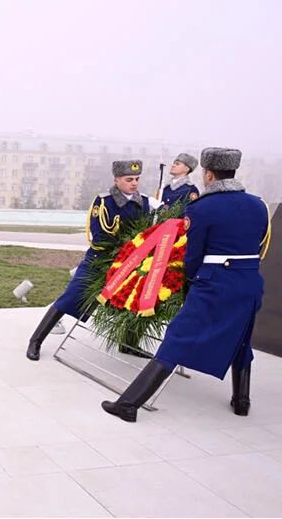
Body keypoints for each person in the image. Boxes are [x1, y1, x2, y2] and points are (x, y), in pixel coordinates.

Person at [102, 148, 271, 422]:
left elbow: (193, 256)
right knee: (241, 339)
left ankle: (129, 404)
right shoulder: (258, 205)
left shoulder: (202, 207)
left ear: (209, 174)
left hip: (214, 283)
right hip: (249, 283)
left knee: (176, 339)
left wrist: (189, 284)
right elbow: (260, 244)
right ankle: (241, 400)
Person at [26, 160, 151, 361]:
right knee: (70, 298)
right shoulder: (104, 202)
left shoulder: (143, 202)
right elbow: (100, 236)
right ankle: (36, 341)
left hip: (130, 263)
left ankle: (128, 343)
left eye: (137, 179)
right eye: (129, 179)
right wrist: (126, 247)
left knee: (137, 298)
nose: (134, 183)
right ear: (117, 180)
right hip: (100, 260)